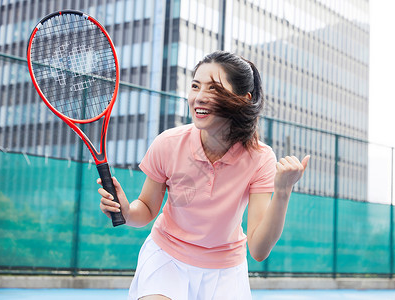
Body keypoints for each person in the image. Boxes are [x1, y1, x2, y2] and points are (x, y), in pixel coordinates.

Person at [98, 50, 310, 300]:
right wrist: (127, 210)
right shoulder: (168, 143)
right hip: (167, 257)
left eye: (213, 89)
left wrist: (283, 192)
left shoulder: (261, 157)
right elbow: (145, 208)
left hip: (226, 270)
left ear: (244, 98)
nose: (199, 97)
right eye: (196, 86)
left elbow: (259, 249)